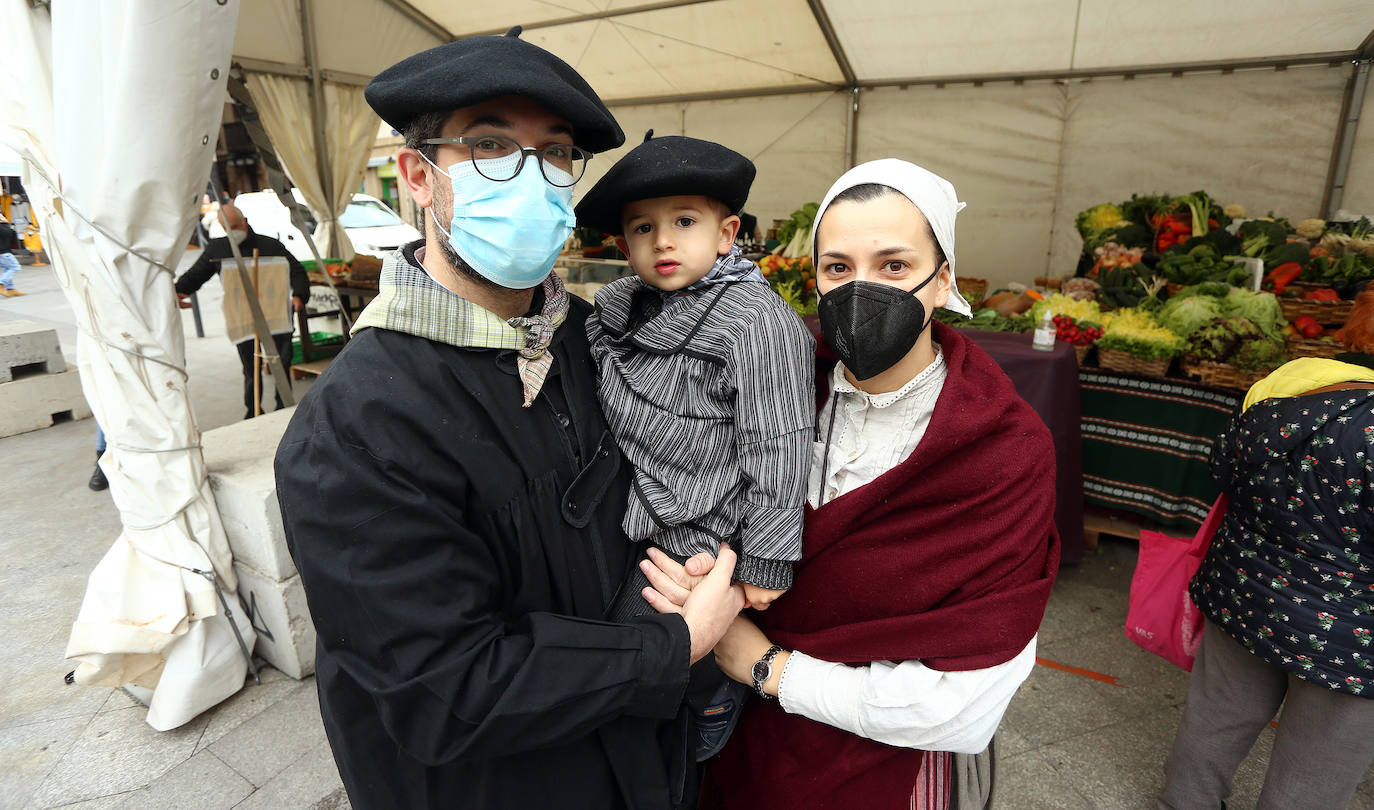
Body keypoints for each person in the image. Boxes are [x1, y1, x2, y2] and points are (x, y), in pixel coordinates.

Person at [273, 28, 745, 810]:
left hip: (641, 765)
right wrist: (673, 647)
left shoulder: (593, 340)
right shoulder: (357, 424)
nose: (531, 177)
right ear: (418, 178)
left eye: (556, 153)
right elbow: (441, 687)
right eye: (489, 143)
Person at [641, 159, 1061, 810]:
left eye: (894, 265)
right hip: (733, 745)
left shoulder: (1004, 450)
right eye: (838, 268)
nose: (861, 290)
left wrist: (765, 667)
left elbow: (965, 708)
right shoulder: (765, 387)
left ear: (942, 279)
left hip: (874, 771)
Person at [576, 134, 814, 756]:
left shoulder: (756, 321)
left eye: (685, 221)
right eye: (642, 227)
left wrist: (765, 557)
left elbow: (779, 441)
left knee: (644, 643)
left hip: (705, 527)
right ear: (623, 245)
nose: (664, 240)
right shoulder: (619, 310)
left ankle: (711, 695)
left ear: (727, 233)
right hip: (639, 508)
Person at [1158, 289, 1374, 810]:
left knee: (1211, 727)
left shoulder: (1293, 381)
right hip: (1353, 638)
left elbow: (1224, 469)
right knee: (1313, 773)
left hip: (1245, 593)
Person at [173, 202, 309, 418]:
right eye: (226, 228)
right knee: (250, 367)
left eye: (234, 226)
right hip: (243, 315)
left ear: (245, 222)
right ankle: (253, 411)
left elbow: (298, 271)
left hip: (276, 314)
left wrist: (299, 295)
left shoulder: (270, 245)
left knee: (281, 362)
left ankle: (284, 407)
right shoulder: (218, 248)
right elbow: (197, 274)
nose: (231, 232)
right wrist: (178, 291)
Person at [0, 213, 22, 297]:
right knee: (15, 267)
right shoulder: (2, 226)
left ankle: (11, 289)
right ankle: (1, 284)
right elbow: (7, 233)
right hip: (3, 252)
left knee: (7, 269)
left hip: (3, 251)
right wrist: (5, 223)